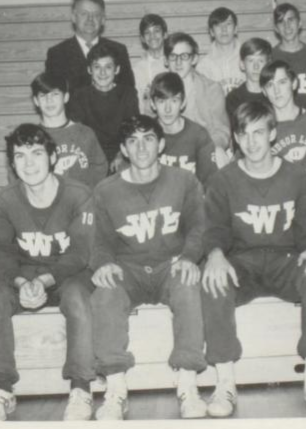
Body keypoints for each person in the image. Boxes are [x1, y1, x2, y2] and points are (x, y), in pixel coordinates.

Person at [201, 100, 306, 417]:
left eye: (259, 132)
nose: (251, 142)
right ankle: (225, 381)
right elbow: (215, 229)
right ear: (235, 138)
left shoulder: (297, 177)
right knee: (213, 279)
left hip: (285, 260)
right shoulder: (223, 180)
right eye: (244, 134)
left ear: (273, 134)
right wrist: (215, 254)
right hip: (242, 263)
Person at [90, 115, 208, 420]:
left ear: (162, 144)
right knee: (105, 293)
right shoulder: (105, 190)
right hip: (128, 269)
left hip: (170, 264)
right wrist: (103, 263)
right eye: (133, 141)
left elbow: (198, 227)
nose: (141, 148)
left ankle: (187, 383)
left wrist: (189, 257)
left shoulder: (184, 181)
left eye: (148, 139)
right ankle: (115, 389)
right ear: (123, 149)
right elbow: (100, 241)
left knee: (188, 283)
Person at [0, 124, 96, 421]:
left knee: (78, 294)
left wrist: (44, 281)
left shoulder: (79, 195)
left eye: (36, 153)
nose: (28, 163)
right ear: (12, 164)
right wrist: (22, 283)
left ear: (53, 157)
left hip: (68, 275)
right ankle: (2, 388)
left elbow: (80, 254)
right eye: (20, 156)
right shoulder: (2, 202)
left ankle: (81, 387)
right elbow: (1, 255)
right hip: (25, 278)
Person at [45, 0, 135, 95]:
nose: (90, 19)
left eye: (96, 15)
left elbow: (129, 92)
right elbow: (53, 93)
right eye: (84, 14)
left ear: (103, 20)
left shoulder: (118, 50)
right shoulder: (57, 54)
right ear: (73, 17)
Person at [29, 72, 108, 188]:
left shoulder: (85, 133)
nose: (49, 100)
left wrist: (84, 194)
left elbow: (100, 169)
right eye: (43, 96)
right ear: (36, 101)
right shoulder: (31, 138)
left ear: (66, 97)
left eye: (55, 94)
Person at [69, 42, 140, 171]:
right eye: (97, 67)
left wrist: (122, 154)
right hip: (90, 155)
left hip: (121, 153)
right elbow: (77, 134)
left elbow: (132, 130)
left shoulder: (128, 94)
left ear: (116, 70)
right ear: (89, 70)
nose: (102, 72)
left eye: (108, 67)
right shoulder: (79, 96)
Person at [165, 32, 231, 167]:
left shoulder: (212, 89)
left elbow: (221, 130)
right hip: (170, 152)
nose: (178, 62)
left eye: (184, 56)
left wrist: (214, 148)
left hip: (204, 149)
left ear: (194, 59)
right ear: (166, 60)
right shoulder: (158, 89)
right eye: (173, 56)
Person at [150, 72, 218, 187]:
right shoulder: (146, 135)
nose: (168, 109)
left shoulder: (198, 135)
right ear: (152, 103)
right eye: (161, 101)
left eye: (174, 101)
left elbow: (210, 184)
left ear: (183, 102)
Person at [197, 7, 245, 95]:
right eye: (218, 25)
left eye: (228, 24)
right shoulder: (203, 66)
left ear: (235, 29)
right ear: (211, 32)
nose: (224, 29)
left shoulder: (249, 59)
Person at [225, 37, 272, 125]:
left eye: (260, 61)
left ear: (268, 64)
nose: (256, 66)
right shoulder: (234, 98)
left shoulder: (274, 95)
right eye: (251, 61)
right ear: (242, 64)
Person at [133, 13, 168, 116]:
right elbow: (138, 105)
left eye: (156, 31)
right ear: (142, 38)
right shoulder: (137, 69)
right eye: (147, 32)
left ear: (165, 34)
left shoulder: (175, 62)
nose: (152, 36)